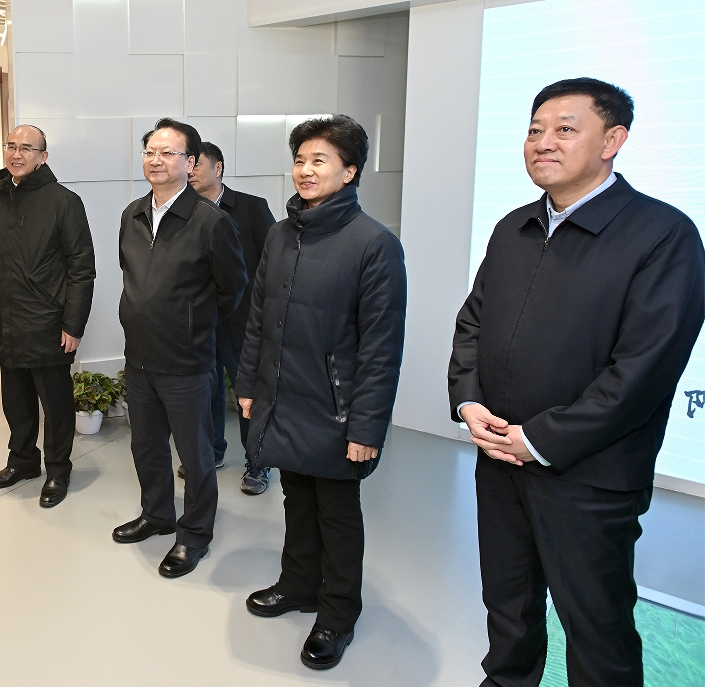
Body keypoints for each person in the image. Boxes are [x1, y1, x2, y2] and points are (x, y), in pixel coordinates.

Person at [449, 78, 705, 687]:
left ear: (613, 140)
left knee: (595, 626)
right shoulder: (513, 227)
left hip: (590, 476)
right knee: (508, 609)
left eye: (565, 129)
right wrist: (469, 400)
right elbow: (473, 322)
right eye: (535, 130)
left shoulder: (661, 235)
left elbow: (643, 371)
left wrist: (538, 439)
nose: (543, 142)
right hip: (500, 461)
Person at [236, 116, 406, 671]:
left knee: (337, 513)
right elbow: (258, 317)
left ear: (350, 171)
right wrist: (248, 384)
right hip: (283, 396)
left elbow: (381, 347)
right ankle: (298, 584)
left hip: (336, 409)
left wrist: (366, 427)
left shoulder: (375, 244)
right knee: (296, 498)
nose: (305, 171)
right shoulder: (281, 234)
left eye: (320, 161)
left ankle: (337, 614)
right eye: (300, 160)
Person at [113, 118, 247, 578]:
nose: (156, 160)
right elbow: (132, 276)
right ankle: (156, 515)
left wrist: (194, 327)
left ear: (190, 163)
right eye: (150, 151)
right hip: (139, 358)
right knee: (146, 446)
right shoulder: (132, 215)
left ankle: (194, 535)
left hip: (187, 362)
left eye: (168, 152)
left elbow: (233, 289)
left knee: (196, 456)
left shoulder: (211, 222)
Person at [0, 125, 96, 508]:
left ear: (43, 156)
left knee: (55, 406)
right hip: (5, 322)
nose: (17, 154)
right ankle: (23, 461)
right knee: (15, 401)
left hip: (48, 324)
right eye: (11, 146)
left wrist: (73, 324)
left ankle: (58, 469)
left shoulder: (64, 201)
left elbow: (82, 269)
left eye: (27, 148)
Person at [185, 141, 275, 494]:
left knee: (248, 393)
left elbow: (273, 261)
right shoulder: (184, 209)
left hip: (244, 320)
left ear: (218, 168)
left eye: (197, 164)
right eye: (188, 163)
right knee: (206, 391)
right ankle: (212, 452)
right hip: (202, 319)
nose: (190, 170)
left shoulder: (251, 208)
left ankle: (258, 463)